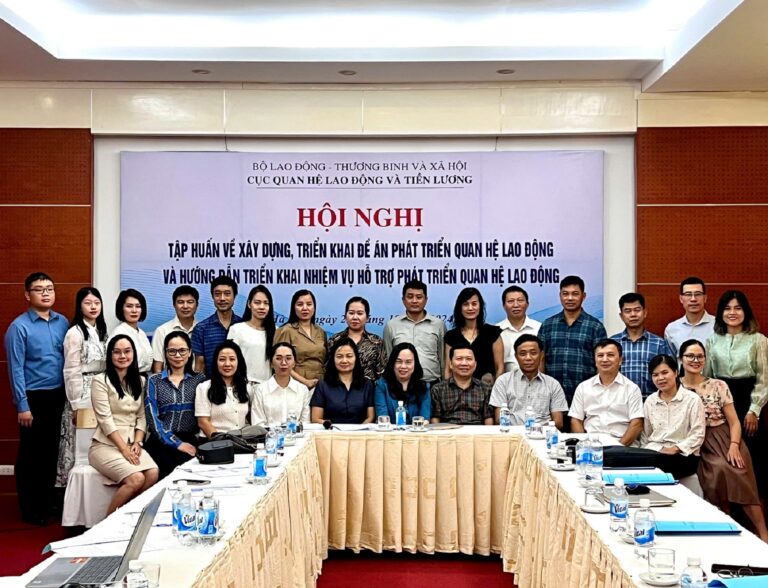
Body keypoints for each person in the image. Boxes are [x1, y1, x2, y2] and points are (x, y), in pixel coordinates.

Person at [679, 339, 768, 542]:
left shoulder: (718, 385)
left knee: (738, 471)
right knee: (718, 471)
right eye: (690, 356)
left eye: (700, 356)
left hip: (724, 436)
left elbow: (734, 422)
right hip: (696, 440)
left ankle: (763, 533)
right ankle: (727, 529)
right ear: (681, 359)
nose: (695, 360)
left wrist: (734, 446)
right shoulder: (677, 386)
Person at [4, 272, 68, 526]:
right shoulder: (18, 327)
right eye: (39, 289)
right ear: (27, 295)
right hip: (33, 398)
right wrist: (22, 405)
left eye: (49, 288)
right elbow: (15, 369)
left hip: (58, 395)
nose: (45, 293)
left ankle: (46, 500)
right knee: (31, 455)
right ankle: (29, 508)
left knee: (51, 452)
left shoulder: (63, 322)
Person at [705, 290, 768, 496]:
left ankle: (755, 507)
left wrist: (754, 410)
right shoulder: (712, 341)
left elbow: (764, 379)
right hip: (720, 404)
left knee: (753, 457)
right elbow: (707, 377)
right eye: (727, 308)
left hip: (748, 401)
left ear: (746, 311)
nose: (732, 313)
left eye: (738, 308)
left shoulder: (758, 340)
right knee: (725, 457)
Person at [88, 335, 159, 515]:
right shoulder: (100, 380)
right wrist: (124, 449)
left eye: (127, 351)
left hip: (131, 443)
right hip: (105, 446)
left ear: (133, 354)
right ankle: (108, 522)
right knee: (136, 479)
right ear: (110, 355)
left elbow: (141, 416)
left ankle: (130, 517)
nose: (122, 356)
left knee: (153, 473)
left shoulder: (141, 381)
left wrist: (137, 442)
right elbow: (105, 420)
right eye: (117, 352)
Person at [59, 287, 108, 488]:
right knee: (81, 441)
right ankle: (76, 489)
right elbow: (71, 370)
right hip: (83, 390)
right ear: (80, 307)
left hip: (101, 387)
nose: (93, 307)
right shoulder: (74, 333)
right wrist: (75, 403)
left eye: (97, 303)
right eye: (88, 303)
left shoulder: (102, 330)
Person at [145, 331, 207, 479]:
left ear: (190, 352)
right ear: (166, 353)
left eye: (182, 350)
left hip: (190, 439)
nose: (178, 355)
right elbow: (152, 418)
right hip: (160, 441)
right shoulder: (154, 381)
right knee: (166, 473)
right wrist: (176, 443)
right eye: (172, 351)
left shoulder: (200, 380)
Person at [539, 275, 607, 403]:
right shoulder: (548, 325)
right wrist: (541, 390)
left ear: (583, 296)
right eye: (565, 294)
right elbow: (540, 359)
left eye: (575, 294)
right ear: (560, 296)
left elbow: (601, 362)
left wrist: (599, 392)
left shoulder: (595, 326)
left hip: (586, 396)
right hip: (552, 397)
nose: (570, 298)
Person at [641, 354, 706, 479]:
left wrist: (676, 448)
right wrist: (652, 450)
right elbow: (646, 435)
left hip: (683, 455)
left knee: (661, 466)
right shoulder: (650, 401)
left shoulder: (692, 399)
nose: (660, 378)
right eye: (655, 375)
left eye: (665, 372)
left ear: (676, 372)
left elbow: (698, 434)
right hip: (656, 452)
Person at [569, 339, 644, 446]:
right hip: (591, 444)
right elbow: (576, 420)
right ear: (595, 361)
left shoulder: (632, 389)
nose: (605, 359)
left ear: (620, 360)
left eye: (610, 355)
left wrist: (618, 449)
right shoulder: (583, 387)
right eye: (600, 355)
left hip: (622, 445)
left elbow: (637, 424)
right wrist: (584, 445)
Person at [489, 334, 568, 428]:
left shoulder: (553, 384)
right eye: (522, 354)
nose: (528, 358)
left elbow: (558, 422)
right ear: (516, 356)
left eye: (533, 353)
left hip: (542, 434)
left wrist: (535, 431)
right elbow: (499, 419)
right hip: (512, 433)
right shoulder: (503, 381)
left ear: (541, 355)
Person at [383, 280, 446, 385]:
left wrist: (444, 384)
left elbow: (443, 358)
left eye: (419, 297)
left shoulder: (438, 325)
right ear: (403, 300)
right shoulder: (391, 325)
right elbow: (389, 358)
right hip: (401, 385)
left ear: (426, 300)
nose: (414, 301)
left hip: (432, 384)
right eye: (410, 297)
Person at [610, 292, 672, 397]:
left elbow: (669, 375)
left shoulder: (659, 344)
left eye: (637, 310)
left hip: (651, 401)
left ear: (645, 313)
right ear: (621, 316)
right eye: (628, 311)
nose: (633, 314)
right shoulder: (612, 343)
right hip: (619, 401)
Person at [444, 287, 503, 384]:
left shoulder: (493, 333)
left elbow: (499, 367)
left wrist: (496, 390)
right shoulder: (451, 336)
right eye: (465, 304)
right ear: (460, 307)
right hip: (458, 390)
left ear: (480, 306)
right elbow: (448, 369)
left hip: (487, 389)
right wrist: (448, 389)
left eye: (474, 304)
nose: (470, 308)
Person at [310, 337, 374, 424]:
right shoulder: (323, 384)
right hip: (331, 431)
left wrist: (360, 430)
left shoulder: (367, 384)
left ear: (356, 358)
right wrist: (332, 428)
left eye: (349, 356)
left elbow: (370, 417)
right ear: (333, 359)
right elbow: (316, 418)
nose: (344, 361)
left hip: (361, 431)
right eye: (339, 356)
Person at [195, 341, 251, 437]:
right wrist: (223, 441)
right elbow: (203, 422)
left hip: (241, 441)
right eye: (222, 359)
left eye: (232, 359)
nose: (227, 364)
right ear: (215, 362)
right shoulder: (204, 387)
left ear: (239, 362)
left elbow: (250, 419)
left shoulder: (247, 388)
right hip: (214, 441)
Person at [274, 289, 327, 389]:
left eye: (309, 304)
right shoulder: (286, 330)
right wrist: (305, 382)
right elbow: (279, 363)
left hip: (321, 384)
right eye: (300, 304)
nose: (305, 308)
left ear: (314, 307)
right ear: (294, 307)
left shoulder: (321, 331)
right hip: (295, 385)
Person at [430, 343, 493, 425]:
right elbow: (435, 419)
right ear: (450, 364)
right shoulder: (438, 389)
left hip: (477, 431)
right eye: (459, 359)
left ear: (475, 364)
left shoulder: (485, 389)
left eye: (469, 359)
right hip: (448, 431)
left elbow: (488, 419)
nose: (464, 363)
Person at [251, 342, 312, 426]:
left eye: (288, 358)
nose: (283, 362)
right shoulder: (261, 390)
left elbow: (305, 423)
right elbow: (258, 424)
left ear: (294, 363)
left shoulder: (302, 390)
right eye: (278, 358)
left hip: (296, 434)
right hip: (268, 434)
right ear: (271, 363)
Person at [327, 296, 386, 382]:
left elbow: (382, 372)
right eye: (351, 313)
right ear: (345, 316)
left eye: (360, 313)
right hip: (339, 388)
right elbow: (328, 369)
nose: (355, 317)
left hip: (369, 389)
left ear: (367, 318)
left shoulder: (376, 342)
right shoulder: (335, 340)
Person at [192, 276, 242, 375]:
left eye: (227, 294)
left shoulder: (243, 325)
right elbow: (200, 366)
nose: (222, 298)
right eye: (217, 294)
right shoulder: (201, 328)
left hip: (240, 383)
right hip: (211, 383)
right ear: (212, 297)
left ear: (234, 296)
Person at [227, 285, 275, 386]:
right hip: (241, 386)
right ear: (249, 304)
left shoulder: (276, 331)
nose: (262, 307)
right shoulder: (236, 329)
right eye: (257, 302)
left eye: (266, 303)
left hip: (266, 388)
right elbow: (229, 359)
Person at [374, 342, 431, 424]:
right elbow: (383, 418)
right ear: (392, 363)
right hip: (389, 431)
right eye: (399, 361)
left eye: (408, 362)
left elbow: (425, 419)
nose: (403, 366)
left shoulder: (424, 387)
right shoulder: (382, 385)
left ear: (415, 364)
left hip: (417, 431)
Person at [150, 285, 199, 373]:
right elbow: (158, 366)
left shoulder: (202, 329)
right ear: (174, 305)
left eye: (190, 302)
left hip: (198, 380)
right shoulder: (162, 331)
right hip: (169, 380)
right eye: (180, 302)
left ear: (197, 305)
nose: (185, 306)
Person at [664, 276, 715, 356]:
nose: (693, 299)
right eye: (688, 294)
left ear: (705, 298)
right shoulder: (671, 329)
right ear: (681, 299)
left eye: (698, 294)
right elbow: (671, 361)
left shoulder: (718, 325)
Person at [496, 285, 541, 372]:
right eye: (510, 301)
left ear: (527, 304)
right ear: (504, 306)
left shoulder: (539, 328)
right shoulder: (495, 331)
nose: (516, 305)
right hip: (505, 378)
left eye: (520, 300)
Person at [110, 288, 152, 374]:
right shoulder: (119, 333)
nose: (134, 310)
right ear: (121, 308)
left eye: (138, 306)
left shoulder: (142, 333)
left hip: (144, 378)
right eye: (129, 306)